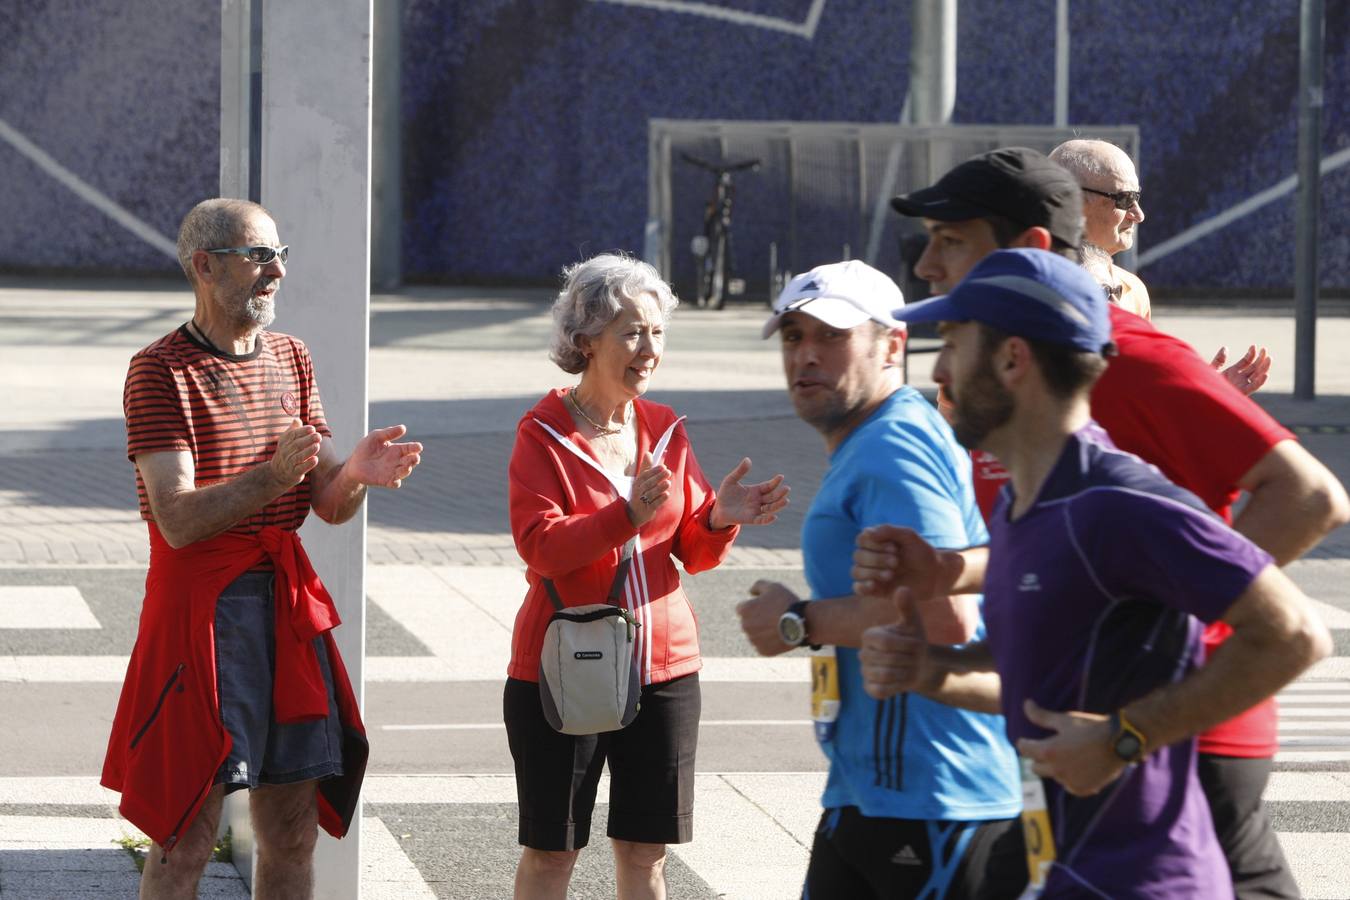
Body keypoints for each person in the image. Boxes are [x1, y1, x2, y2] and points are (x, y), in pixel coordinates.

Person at [884, 147, 1350, 897]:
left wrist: (1164, 624)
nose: (929, 266)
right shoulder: (992, 390)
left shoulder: (1125, 357)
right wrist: (950, 582)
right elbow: (1061, 553)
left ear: (1030, 251)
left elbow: (1312, 499)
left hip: (1192, 731)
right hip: (1079, 740)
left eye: (953, 241)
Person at [101, 198, 424, 899]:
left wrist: (358, 476)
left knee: (291, 832)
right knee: (185, 838)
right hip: (202, 618)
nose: (275, 271)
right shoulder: (160, 371)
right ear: (205, 266)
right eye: (258, 257)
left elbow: (329, 503)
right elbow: (178, 520)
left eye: (281, 255)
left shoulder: (291, 357)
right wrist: (273, 475)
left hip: (284, 612)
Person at [735, 260, 1024, 898]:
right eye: (792, 336)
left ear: (893, 344)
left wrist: (799, 621)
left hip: (932, 798)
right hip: (873, 792)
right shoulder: (874, 440)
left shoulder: (894, 447)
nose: (805, 355)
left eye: (831, 335)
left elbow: (946, 615)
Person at [505, 252, 789, 900]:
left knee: (646, 851)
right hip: (565, 660)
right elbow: (542, 546)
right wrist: (625, 514)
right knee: (553, 853)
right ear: (585, 339)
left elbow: (690, 550)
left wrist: (718, 516)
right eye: (632, 331)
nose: (649, 348)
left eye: (657, 332)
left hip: (664, 669)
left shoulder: (664, 427)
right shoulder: (542, 434)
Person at [1049, 138, 1270, 394]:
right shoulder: (1027, 285)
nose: (1139, 214)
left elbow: (1137, 391)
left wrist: (1201, 392)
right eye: (1124, 199)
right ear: (1073, 200)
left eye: (1137, 197)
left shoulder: (1133, 290)